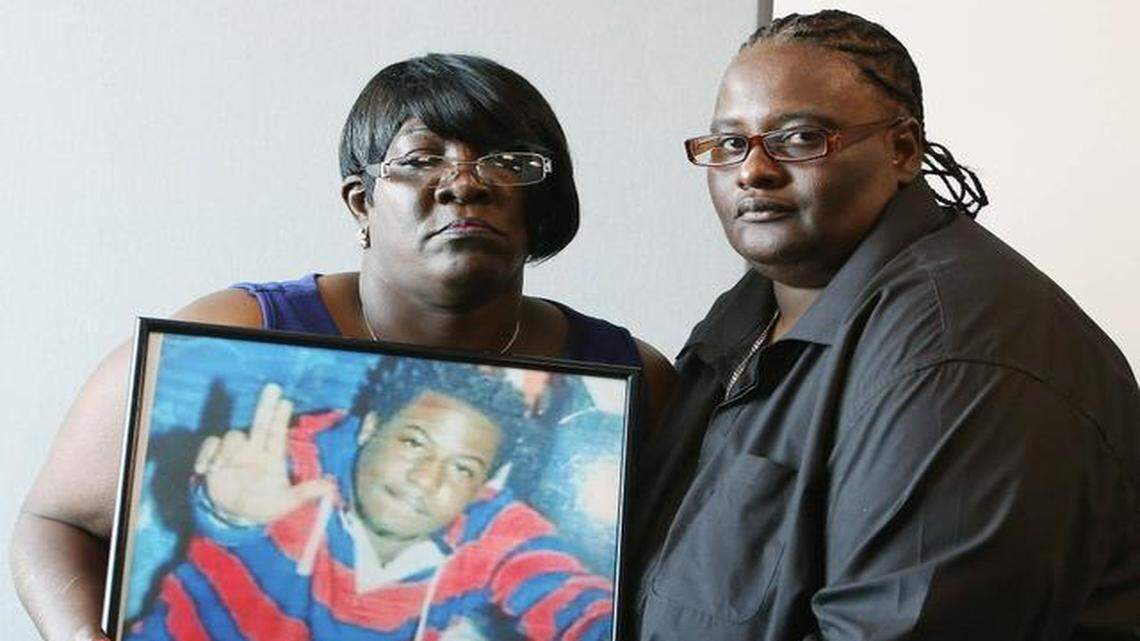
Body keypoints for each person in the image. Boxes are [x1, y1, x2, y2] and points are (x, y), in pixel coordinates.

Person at [11, 53, 674, 641]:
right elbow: (54, 522)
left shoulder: (628, 376)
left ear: (542, 204)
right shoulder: (236, 338)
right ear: (361, 202)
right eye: (420, 159)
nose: (467, 182)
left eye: (506, 161)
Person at [633, 10, 1140, 640]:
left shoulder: (958, 350)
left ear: (903, 150)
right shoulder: (751, 311)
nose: (752, 170)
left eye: (799, 138)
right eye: (730, 143)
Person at [127, 359, 615, 641]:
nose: (427, 479)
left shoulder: (494, 529)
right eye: (413, 442)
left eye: (463, 468)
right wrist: (228, 515)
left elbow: (583, 609)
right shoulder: (289, 462)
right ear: (371, 426)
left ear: (484, 483)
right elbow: (236, 501)